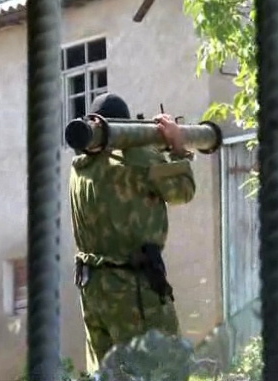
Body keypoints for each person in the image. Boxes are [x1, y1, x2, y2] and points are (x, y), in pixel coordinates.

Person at [68, 93, 196, 374]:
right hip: (132, 290)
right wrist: (177, 146)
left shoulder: (79, 169)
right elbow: (182, 191)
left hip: (93, 290)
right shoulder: (135, 157)